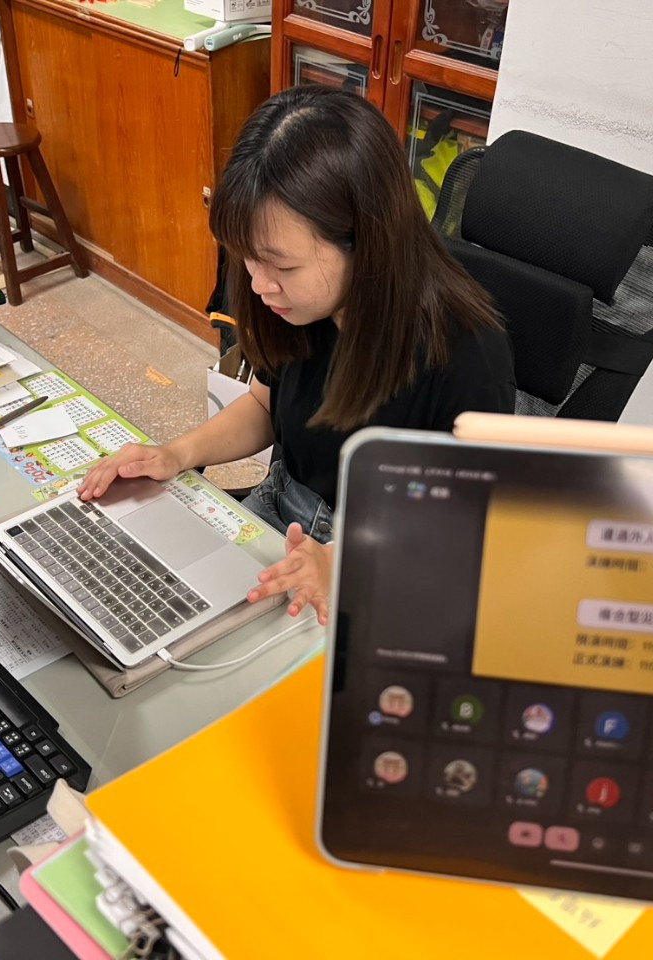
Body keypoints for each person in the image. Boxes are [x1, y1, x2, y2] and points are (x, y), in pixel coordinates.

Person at [79, 87, 515, 627]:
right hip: (282, 513)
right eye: (248, 259)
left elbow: (462, 530)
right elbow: (265, 405)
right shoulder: (300, 308)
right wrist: (175, 454)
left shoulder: (467, 353)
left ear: (366, 241)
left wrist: (342, 561)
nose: (259, 285)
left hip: (383, 560)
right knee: (146, 602)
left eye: (283, 267)